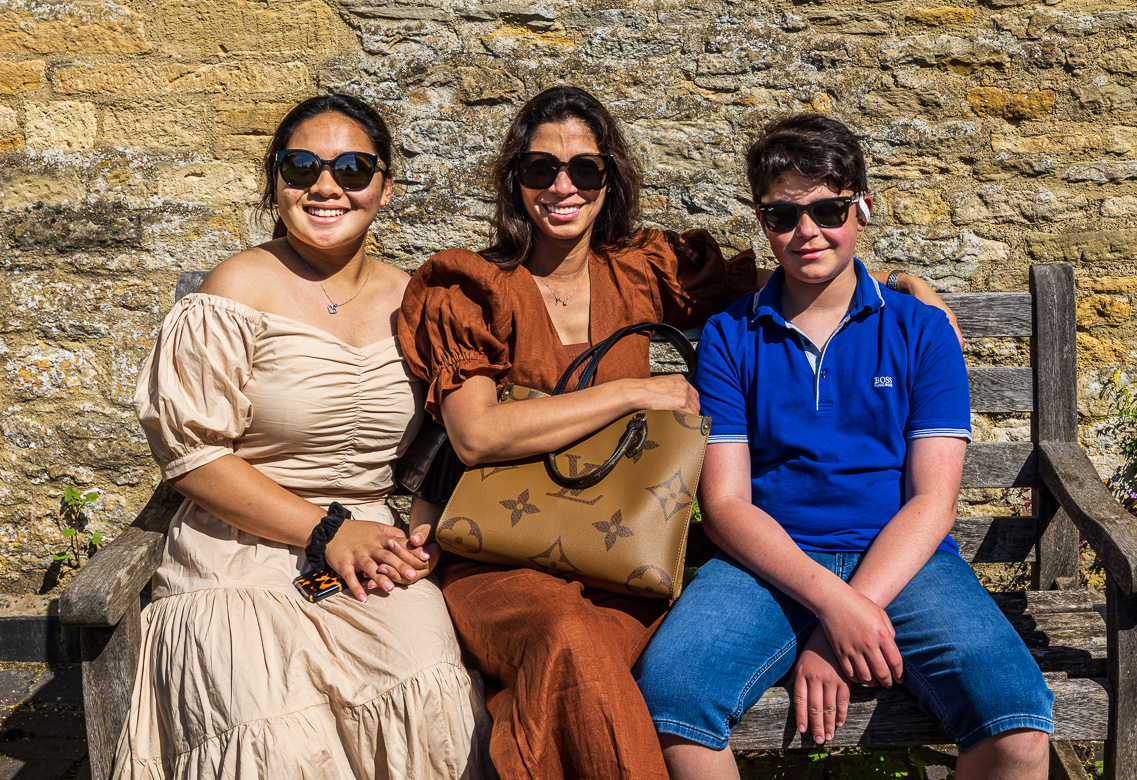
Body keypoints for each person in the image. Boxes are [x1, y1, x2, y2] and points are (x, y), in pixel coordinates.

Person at [398, 86, 958, 779]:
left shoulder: (641, 270)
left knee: (595, 658)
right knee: (571, 646)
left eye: (585, 170)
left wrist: (908, 290)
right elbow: (476, 436)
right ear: (514, 182)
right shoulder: (472, 285)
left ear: (612, 181)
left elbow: (799, 262)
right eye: (540, 169)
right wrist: (634, 390)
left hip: (620, 565)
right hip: (500, 561)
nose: (562, 186)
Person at [634, 114, 1054, 779]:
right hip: (765, 565)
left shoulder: (921, 331)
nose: (806, 232)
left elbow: (932, 501)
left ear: (861, 207)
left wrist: (845, 617)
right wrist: (837, 609)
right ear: (762, 222)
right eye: (782, 216)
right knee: (669, 702)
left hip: (901, 561)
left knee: (1016, 722)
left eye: (827, 209)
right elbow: (724, 503)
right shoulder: (728, 337)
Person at [113, 94, 491, 779]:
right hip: (235, 551)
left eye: (352, 168)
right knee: (274, 740)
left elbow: (445, 444)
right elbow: (193, 458)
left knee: (432, 698)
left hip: (374, 547)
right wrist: (324, 531)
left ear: (384, 187)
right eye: (301, 167)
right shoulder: (237, 289)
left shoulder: (418, 301)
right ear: (275, 181)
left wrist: (427, 530)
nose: (326, 186)